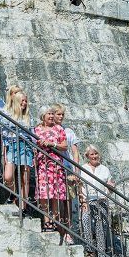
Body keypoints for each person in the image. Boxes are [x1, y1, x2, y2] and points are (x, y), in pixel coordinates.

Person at [33, 106, 68, 234]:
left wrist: (52, 144)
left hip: (56, 165)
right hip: (43, 164)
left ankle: (53, 221)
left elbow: (64, 146)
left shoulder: (59, 129)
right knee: (44, 194)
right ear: (43, 115)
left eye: (53, 114)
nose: (52, 116)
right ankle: (46, 220)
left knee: (55, 195)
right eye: (49, 114)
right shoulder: (37, 129)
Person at [79, 145, 115, 257]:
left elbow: (110, 184)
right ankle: (90, 251)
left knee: (100, 230)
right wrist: (83, 201)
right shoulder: (83, 168)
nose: (94, 156)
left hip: (101, 201)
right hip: (88, 201)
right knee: (86, 222)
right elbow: (80, 186)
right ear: (87, 156)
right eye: (92, 154)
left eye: (96, 154)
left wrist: (110, 188)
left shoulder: (105, 169)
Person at [2, 88, 33, 213]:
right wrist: (4, 152)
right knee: (8, 176)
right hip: (12, 145)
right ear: (16, 101)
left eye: (25, 101)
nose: (24, 103)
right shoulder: (8, 114)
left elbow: (31, 135)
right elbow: (4, 134)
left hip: (25, 147)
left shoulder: (28, 117)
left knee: (25, 179)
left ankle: (23, 206)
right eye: (22, 101)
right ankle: (14, 194)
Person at [54, 104, 81, 243]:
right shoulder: (51, 130)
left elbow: (75, 152)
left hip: (68, 167)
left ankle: (68, 231)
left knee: (69, 201)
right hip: (55, 169)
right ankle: (59, 229)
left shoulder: (69, 131)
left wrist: (76, 171)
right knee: (57, 200)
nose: (60, 117)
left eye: (62, 114)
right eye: (58, 114)